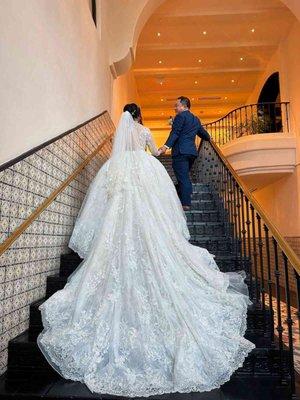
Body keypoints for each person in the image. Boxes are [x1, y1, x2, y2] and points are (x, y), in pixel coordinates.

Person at [37, 103, 255, 398]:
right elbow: (155, 158)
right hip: (147, 181)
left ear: (123, 120)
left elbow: (106, 198)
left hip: (121, 210)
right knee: (154, 223)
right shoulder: (146, 144)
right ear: (138, 117)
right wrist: (157, 150)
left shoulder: (113, 164)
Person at [159, 96, 211, 211]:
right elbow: (205, 135)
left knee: (184, 178)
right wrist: (208, 137)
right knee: (183, 176)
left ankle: (185, 203)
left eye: (176, 105)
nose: (175, 108)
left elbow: (175, 133)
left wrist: (165, 146)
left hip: (181, 152)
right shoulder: (195, 119)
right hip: (191, 153)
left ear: (184, 106)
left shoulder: (180, 116)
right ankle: (176, 195)